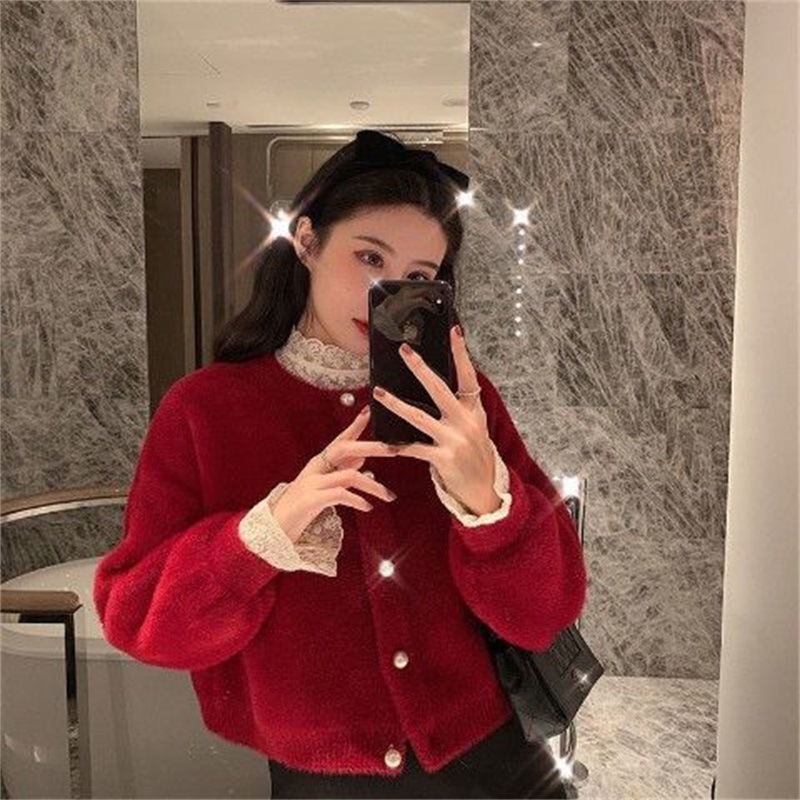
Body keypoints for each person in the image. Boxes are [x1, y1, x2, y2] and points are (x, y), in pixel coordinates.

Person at [94, 130, 587, 799]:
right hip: (324, 782)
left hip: (500, 763)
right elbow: (137, 620)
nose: (388, 290)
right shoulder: (205, 411)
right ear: (306, 241)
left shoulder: (462, 404)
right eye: (369, 256)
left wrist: (490, 506)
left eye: (418, 277)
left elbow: (544, 613)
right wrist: (263, 533)